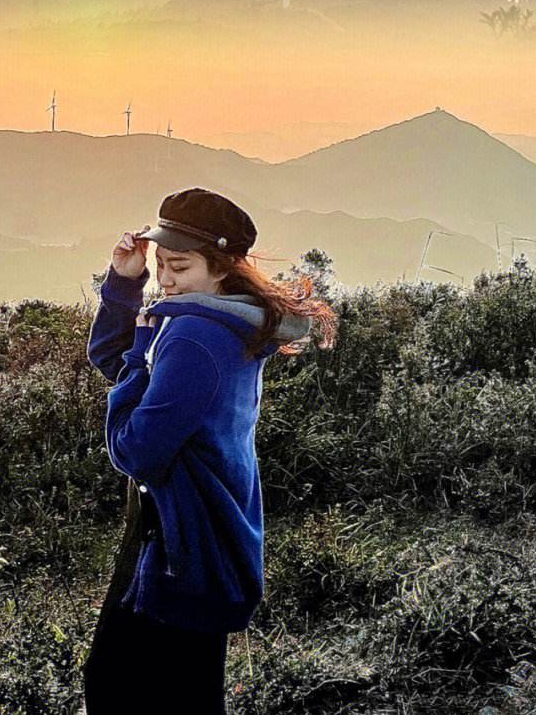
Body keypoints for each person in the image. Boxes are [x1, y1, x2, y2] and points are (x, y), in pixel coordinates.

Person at [83, 187, 337, 714]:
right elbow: (114, 356)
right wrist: (126, 286)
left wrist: (140, 352)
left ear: (220, 268)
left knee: (120, 688)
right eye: (159, 265)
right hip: (202, 530)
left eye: (180, 266)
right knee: (182, 691)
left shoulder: (194, 336)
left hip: (184, 537)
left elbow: (136, 452)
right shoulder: (222, 321)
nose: (166, 280)